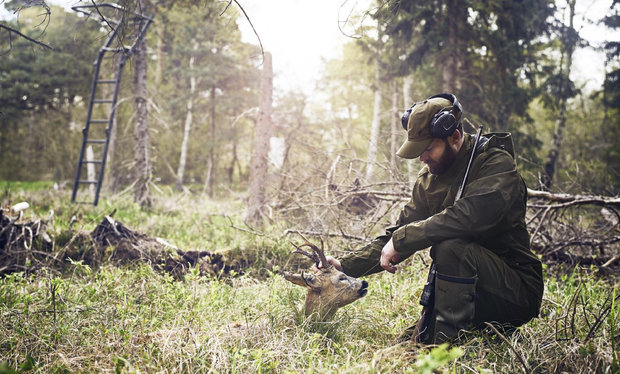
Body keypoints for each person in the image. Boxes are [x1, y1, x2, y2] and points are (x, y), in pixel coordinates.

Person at [317, 93, 543, 344]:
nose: (422, 158)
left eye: (427, 149)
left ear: (455, 137)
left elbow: (469, 217)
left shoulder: (495, 164)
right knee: (405, 347)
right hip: (462, 292)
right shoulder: (429, 179)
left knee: (451, 247)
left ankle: (444, 355)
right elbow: (398, 233)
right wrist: (345, 266)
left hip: (514, 290)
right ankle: (451, 337)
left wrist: (404, 239)